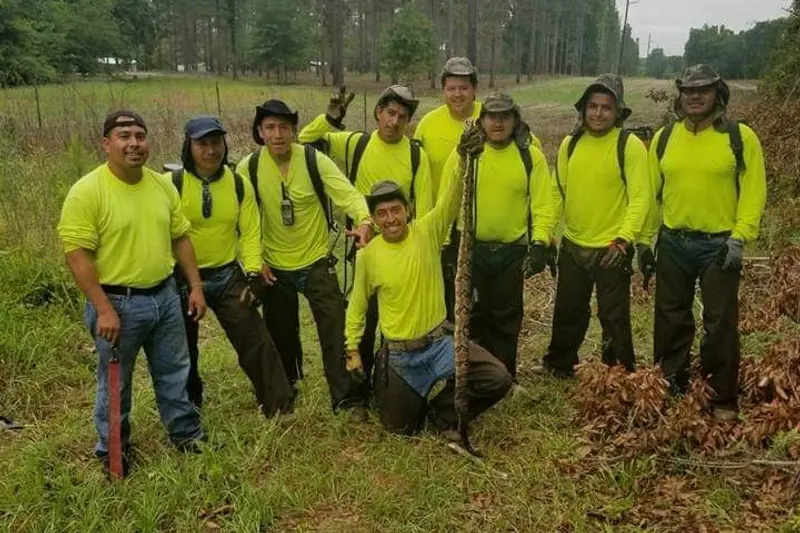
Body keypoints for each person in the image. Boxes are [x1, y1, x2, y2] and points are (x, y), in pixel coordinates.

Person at [57, 110, 206, 477]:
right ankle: (114, 453)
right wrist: (103, 309)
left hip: (165, 297)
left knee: (175, 372)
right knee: (115, 384)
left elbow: (180, 237)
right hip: (117, 304)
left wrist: (195, 287)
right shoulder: (87, 191)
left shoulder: (161, 185)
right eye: (124, 136)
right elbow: (77, 256)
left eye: (140, 135)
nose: (134, 143)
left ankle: (186, 436)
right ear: (106, 143)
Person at [344, 125, 511, 436]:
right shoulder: (369, 255)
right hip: (401, 355)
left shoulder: (428, 230)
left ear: (407, 210)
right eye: (382, 213)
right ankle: (399, 388)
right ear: (375, 220)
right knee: (399, 429)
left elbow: (451, 196)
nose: (391, 218)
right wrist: (352, 347)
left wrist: (463, 158)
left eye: (396, 209)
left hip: (439, 344)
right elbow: (357, 306)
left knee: (497, 378)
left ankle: (443, 414)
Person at [640, 64, 767, 420]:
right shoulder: (665, 139)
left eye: (703, 90)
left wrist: (740, 238)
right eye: (688, 90)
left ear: (718, 94)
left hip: (719, 246)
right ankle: (670, 387)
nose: (695, 96)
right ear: (680, 96)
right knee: (669, 318)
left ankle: (721, 397)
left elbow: (754, 192)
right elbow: (652, 195)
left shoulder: (740, 138)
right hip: (673, 243)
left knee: (720, 323)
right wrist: (645, 241)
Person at [236, 100, 373, 419]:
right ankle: (287, 389)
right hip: (274, 267)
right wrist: (254, 262)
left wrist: (365, 221)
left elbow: (349, 195)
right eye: (269, 127)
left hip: (315, 263)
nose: (277, 134)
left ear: (294, 130)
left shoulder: (314, 160)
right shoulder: (249, 168)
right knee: (280, 333)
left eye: (284, 127)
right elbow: (241, 221)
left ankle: (347, 399)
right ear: (260, 132)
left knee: (336, 329)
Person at [298, 84, 434, 391]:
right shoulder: (354, 144)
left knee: (397, 325)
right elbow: (305, 143)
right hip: (359, 252)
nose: (394, 121)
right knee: (360, 322)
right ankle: (357, 389)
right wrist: (329, 120)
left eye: (402, 116)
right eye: (390, 113)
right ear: (377, 113)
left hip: (401, 254)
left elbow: (424, 210)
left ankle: (392, 385)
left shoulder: (416, 155)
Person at [168, 115, 295, 417]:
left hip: (227, 275)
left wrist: (252, 272)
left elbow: (250, 232)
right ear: (189, 146)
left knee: (257, 340)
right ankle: (189, 410)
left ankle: (279, 406)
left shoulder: (239, 184)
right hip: (182, 279)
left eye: (216, 143)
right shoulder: (170, 185)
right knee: (182, 350)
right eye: (202, 144)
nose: (211, 150)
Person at [438, 93, 557, 379]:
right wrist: (443, 244)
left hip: (511, 253)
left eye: (505, 116)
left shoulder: (531, 156)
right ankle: (471, 378)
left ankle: (505, 379)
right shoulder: (466, 154)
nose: (498, 122)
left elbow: (543, 205)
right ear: (482, 120)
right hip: (470, 251)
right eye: (492, 116)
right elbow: (448, 200)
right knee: (471, 317)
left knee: (506, 319)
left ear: (515, 120)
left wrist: (539, 243)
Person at [538, 75, 651, 377]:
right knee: (568, 311)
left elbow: (641, 198)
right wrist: (546, 234)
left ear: (618, 112)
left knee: (614, 317)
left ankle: (617, 372)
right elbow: (555, 192)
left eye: (606, 108)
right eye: (593, 106)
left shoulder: (629, 146)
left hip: (611, 249)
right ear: (583, 109)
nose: (598, 114)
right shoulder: (569, 144)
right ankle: (559, 364)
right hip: (573, 245)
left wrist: (624, 240)